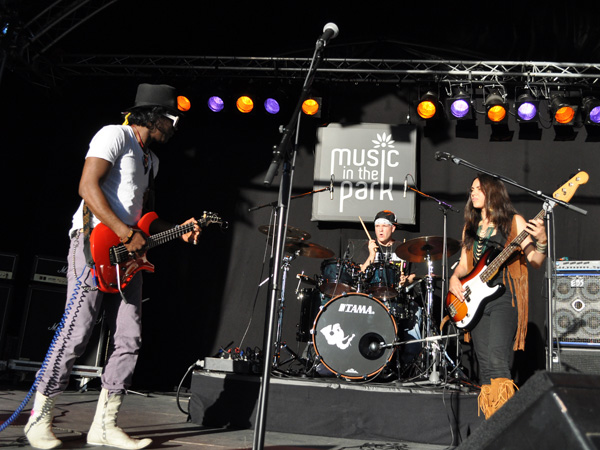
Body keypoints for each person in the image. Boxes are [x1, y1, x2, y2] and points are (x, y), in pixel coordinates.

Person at [24, 83, 201, 449]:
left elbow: (144, 222)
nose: (175, 125)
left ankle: (104, 425)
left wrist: (179, 231)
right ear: (152, 116)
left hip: (127, 258)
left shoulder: (152, 161)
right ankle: (38, 419)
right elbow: (87, 187)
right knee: (77, 333)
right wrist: (123, 232)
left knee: (129, 337)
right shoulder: (113, 135)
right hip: (92, 246)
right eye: (171, 118)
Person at [448, 174, 547, 419]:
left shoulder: (514, 222)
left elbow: (534, 260)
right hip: (475, 302)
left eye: (479, 189)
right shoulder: (470, 227)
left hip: (504, 298)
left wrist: (542, 240)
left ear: (493, 192)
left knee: (497, 361)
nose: (473, 193)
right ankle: (491, 427)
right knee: (484, 367)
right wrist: (453, 281)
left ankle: (506, 427)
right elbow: (463, 265)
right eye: (471, 189)